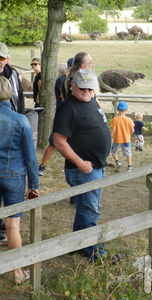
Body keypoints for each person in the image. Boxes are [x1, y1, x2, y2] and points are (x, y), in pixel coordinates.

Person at [53, 69, 115, 262]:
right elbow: (58, 141)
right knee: (90, 210)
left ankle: (77, 245)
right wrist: (80, 163)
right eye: (83, 89)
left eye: (91, 88)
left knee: (85, 208)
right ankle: (96, 254)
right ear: (72, 86)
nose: (87, 92)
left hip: (95, 166)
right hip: (84, 170)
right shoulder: (68, 108)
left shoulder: (90, 99)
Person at [0, 76, 40, 284]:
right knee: (12, 225)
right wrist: (34, 185)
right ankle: (17, 272)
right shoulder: (20, 120)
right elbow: (30, 158)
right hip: (14, 176)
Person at [0, 42, 25, 245]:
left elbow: (19, 100)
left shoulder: (12, 74)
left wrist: (23, 125)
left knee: (12, 221)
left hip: (13, 126)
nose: (0, 63)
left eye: (2, 58)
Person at [38, 58, 73, 176]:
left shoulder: (74, 80)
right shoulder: (62, 80)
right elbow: (64, 97)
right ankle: (42, 165)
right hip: (62, 115)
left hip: (72, 116)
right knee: (53, 142)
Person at [110, 101, 134, 172]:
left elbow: (113, 130)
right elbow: (132, 130)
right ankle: (129, 167)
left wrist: (110, 136)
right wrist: (128, 134)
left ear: (117, 109)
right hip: (126, 139)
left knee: (113, 152)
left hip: (117, 140)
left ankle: (117, 162)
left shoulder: (115, 119)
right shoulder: (129, 120)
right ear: (126, 110)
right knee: (128, 153)